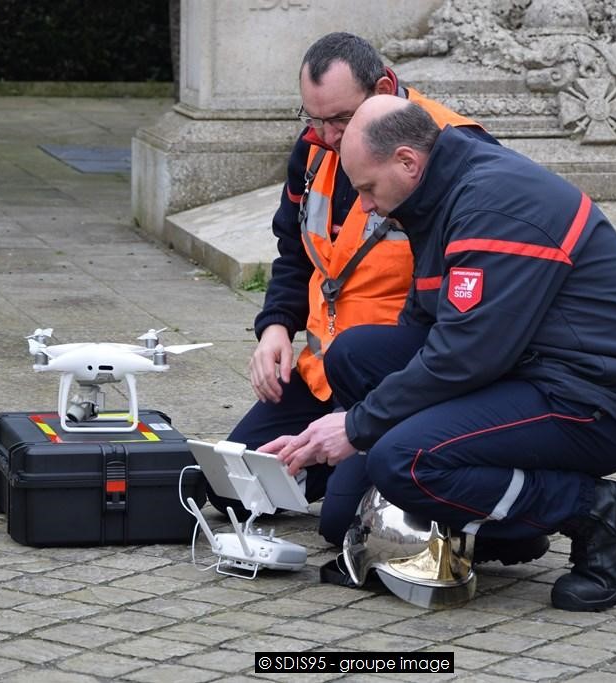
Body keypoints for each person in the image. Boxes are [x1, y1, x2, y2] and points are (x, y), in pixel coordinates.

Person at [264, 95, 616, 612]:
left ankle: (597, 512)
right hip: (527, 367)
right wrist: (352, 420)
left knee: (407, 463)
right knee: (355, 355)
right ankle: (501, 526)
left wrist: (356, 426)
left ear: (408, 161)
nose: (364, 205)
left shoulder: (492, 204)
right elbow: (422, 327)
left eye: (367, 188)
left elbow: (465, 355)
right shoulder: (437, 195)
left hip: (598, 397)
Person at [209, 33, 523, 555]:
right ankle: (336, 469)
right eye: (314, 119)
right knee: (233, 489)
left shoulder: (446, 149)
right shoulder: (314, 149)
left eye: (339, 120)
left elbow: (474, 313)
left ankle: (454, 508)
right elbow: (295, 251)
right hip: (323, 370)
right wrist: (274, 329)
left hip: (393, 374)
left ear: (381, 89)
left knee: (340, 526)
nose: (328, 136)